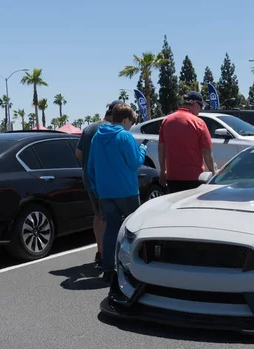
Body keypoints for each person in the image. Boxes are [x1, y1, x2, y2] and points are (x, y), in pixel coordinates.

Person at [87, 103, 147, 279]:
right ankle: (138, 265)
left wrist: (96, 188)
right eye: (132, 122)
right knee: (135, 229)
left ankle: (108, 268)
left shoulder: (97, 137)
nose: (131, 125)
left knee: (111, 229)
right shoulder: (125, 137)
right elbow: (135, 162)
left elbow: (91, 166)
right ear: (126, 119)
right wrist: (142, 149)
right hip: (126, 190)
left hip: (105, 192)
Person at [75, 100, 123, 266]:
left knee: (98, 216)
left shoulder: (89, 128)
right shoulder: (113, 130)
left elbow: (78, 153)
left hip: (88, 178)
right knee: (108, 218)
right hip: (107, 180)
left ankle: (100, 251)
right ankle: (107, 256)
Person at [158, 91, 215, 193]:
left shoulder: (166, 121)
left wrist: (162, 172)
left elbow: (161, 149)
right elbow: (207, 153)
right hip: (194, 178)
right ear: (194, 104)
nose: (200, 110)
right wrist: (212, 173)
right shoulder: (199, 123)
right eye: (200, 106)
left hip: (172, 178)